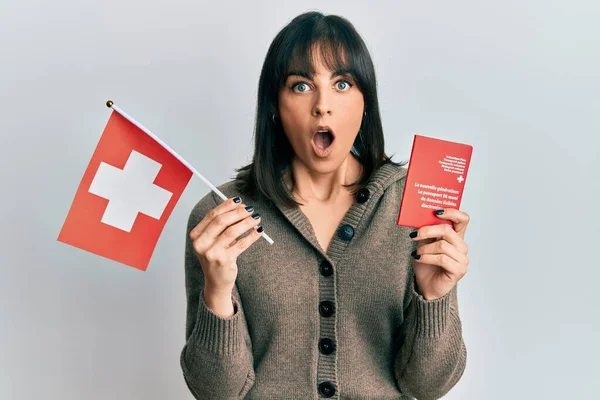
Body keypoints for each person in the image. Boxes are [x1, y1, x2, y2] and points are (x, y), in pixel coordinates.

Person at [180, 11, 469, 400]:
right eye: (301, 86)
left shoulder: (414, 208)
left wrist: (434, 297)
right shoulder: (223, 218)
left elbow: (428, 386)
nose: (322, 106)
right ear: (274, 107)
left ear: (365, 101)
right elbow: (216, 392)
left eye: (342, 83)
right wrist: (216, 293)